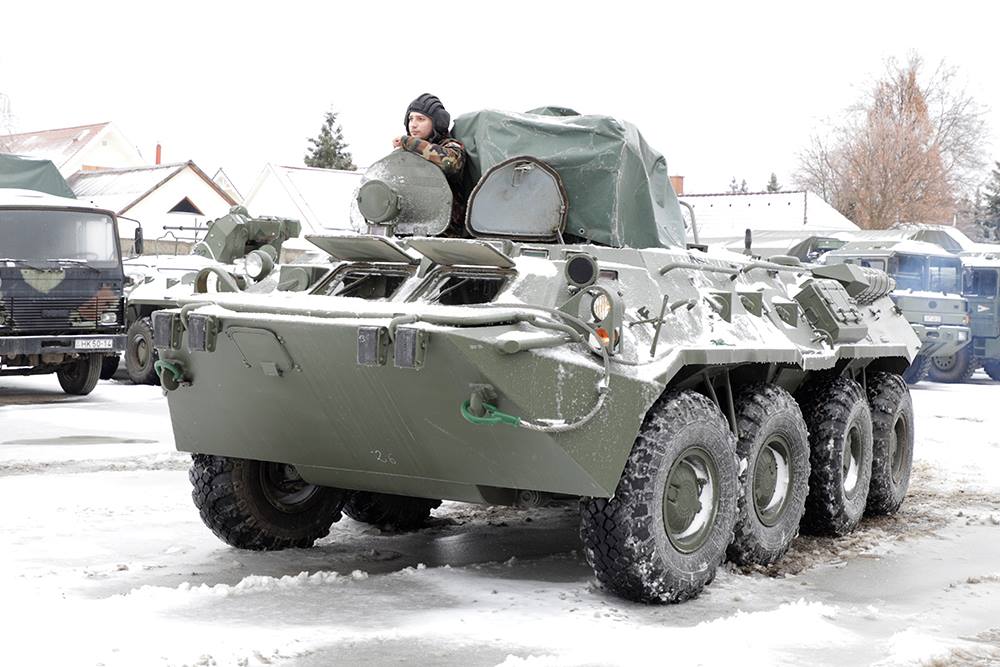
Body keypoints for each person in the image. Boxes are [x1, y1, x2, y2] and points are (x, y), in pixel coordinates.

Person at [393, 93, 468, 236]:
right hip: (410, 226)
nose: (413, 124)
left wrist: (409, 142)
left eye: (421, 119)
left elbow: (449, 163)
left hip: (445, 232)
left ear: (437, 123)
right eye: (410, 119)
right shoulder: (408, 151)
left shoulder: (451, 146)